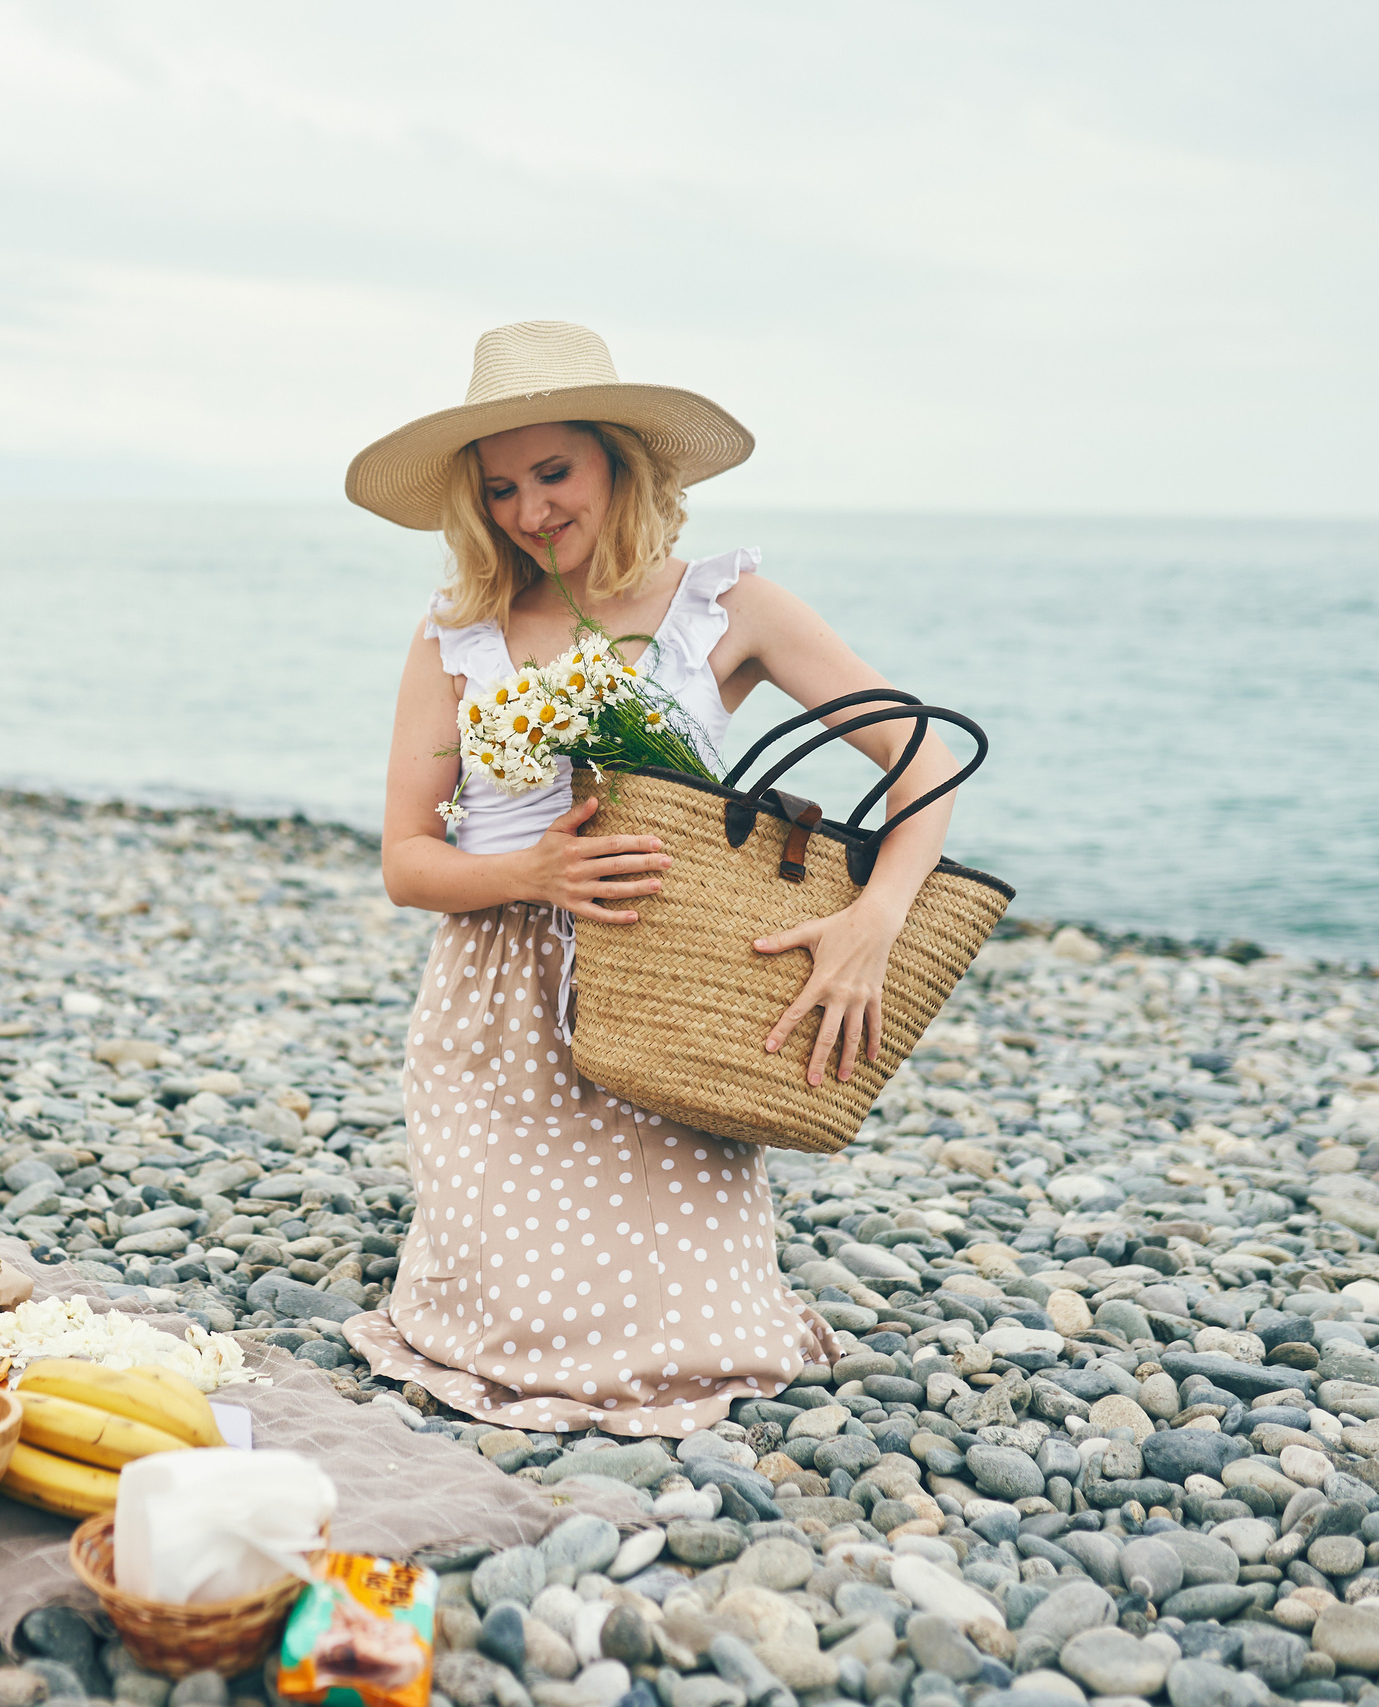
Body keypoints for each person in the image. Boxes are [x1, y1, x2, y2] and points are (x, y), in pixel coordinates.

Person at [339, 321, 968, 1436]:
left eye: (553, 471)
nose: (532, 510)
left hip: (674, 993)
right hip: (502, 1009)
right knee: (503, 1338)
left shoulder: (725, 609)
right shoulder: (458, 637)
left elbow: (922, 756)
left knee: (703, 1349)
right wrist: (533, 868)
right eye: (499, 490)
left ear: (618, 463)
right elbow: (405, 861)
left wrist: (873, 920)